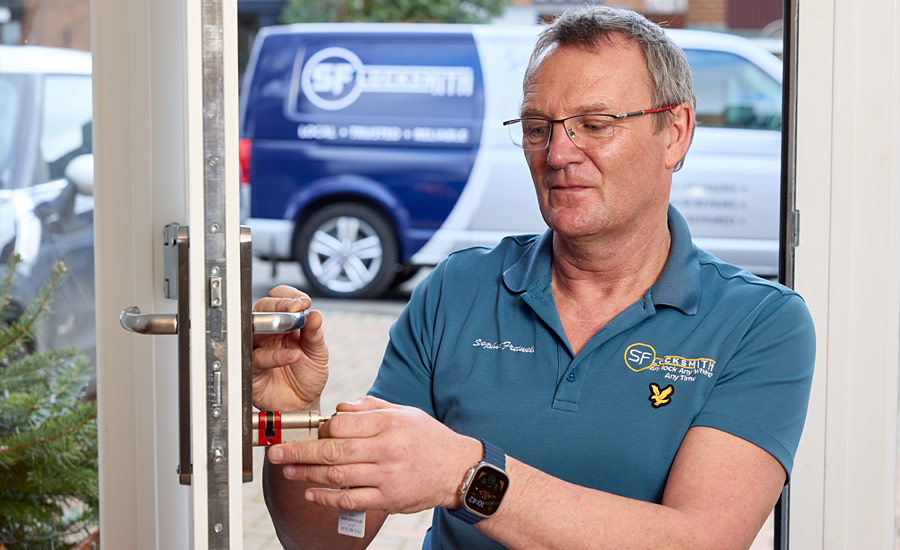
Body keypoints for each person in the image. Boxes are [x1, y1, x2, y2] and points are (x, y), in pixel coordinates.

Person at [251, 5, 816, 549]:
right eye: (536, 127)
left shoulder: (759, 324)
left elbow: (701, 541)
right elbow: (329, 539)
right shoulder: (458, 289)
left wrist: (468, 475)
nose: (559, 153)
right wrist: (292, 418)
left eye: (595, 125)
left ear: (675, 133)